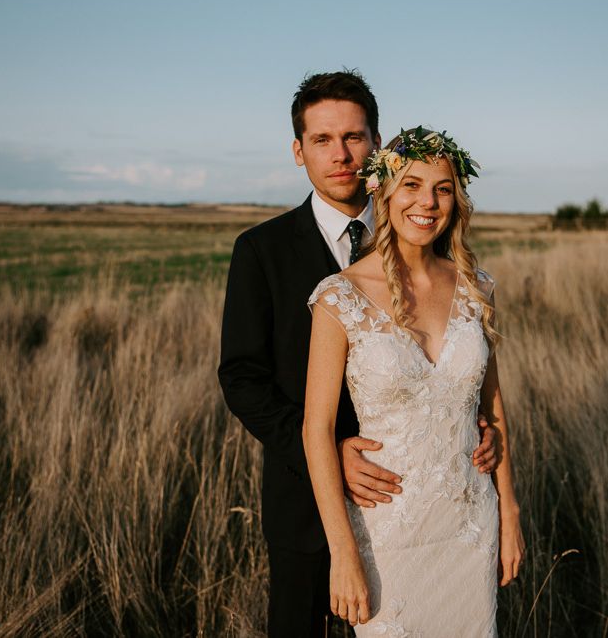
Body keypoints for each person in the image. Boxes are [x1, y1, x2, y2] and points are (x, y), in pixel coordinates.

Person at [218, 72, 498, 637]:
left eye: (354, 137)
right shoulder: (261, 250)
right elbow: (242, 377)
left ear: (377, 146)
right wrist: (327, 448)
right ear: (299, 151)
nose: (340, 154)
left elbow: (460, 359)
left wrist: (475, 423)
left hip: (433, 513)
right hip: (306, 507)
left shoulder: (423, 235)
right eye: (322, 140)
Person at [303, 127, 526, 636]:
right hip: (388, 534)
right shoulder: (339, 298)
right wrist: (343, 553)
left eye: (443, 187)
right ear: (382, 190)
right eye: (412, 184)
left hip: (470, 525)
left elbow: (494, 411)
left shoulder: (477, 288)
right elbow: (316, 431)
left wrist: (509, 513)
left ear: (457, 198)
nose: (427, 201)